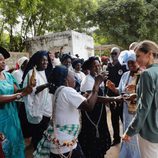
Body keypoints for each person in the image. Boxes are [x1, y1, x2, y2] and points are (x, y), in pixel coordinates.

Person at [33, 65, 108, 158]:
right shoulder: (66, 91)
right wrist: (96, 83)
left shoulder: (59, 90)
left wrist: (84, 96)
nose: (75, 80)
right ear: (66, 80)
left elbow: (72, 102)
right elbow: (89, 106)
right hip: (65, 146)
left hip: (60, 142)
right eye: (73, 77)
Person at [122, 40, 158, 158]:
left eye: (138, 56)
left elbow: (144, 107)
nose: (136, 60)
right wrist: (138, 90)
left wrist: (130, 131)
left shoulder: (147, 74)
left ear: (149, 54)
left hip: (150, 129)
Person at [106, 50, 141, 158]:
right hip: (127, 111)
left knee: (135, 135)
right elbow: (120, 91)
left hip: (138, 112)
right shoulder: (125, 75)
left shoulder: (143, 75)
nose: (130, 65)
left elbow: (146, 94)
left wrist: (134, 94)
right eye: (128, 63)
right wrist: (113, 88)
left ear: (138, 61)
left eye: (133, 62)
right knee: (126, 131)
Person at [0, 46, 33, 157]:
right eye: (0, 60)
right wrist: (21, 94)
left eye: (3, 59)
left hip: (13, 117)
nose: (3, 62)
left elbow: (16, 90)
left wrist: (27, 88)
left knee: (16, 143)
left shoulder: (8, 76)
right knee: (5, 147)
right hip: (2, 120)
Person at [79, 56, 112, 158]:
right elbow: (96, 98)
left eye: (98, 65)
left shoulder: (96, 78)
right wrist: (114, 99)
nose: (97, 68)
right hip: (92, 115)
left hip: (98, 114)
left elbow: (100, 94)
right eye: (94, 66)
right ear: (89, 68)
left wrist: (108, 100)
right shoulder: (88, 80)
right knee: (93, 142)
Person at [22, 50, 53, 150]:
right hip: (37, 109)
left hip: (47, 109)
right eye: (43, 60)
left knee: (46, 136)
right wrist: (45, 86)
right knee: (38, 137)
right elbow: (29, 91)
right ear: (36, 61)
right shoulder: (32, 73)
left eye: (47, 60)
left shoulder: (48, 72)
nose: (45, 62)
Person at [106, 47, 127, 146]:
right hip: (111, 97)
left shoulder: (123, 66)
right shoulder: (108, 66)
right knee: (114, 118)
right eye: (111, 53)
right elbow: (106, 81)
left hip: (122, 97)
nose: (113, 55)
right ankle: (116, 138)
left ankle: (127, 137)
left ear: (119, 54)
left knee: (124, 118)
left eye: (115, 53)